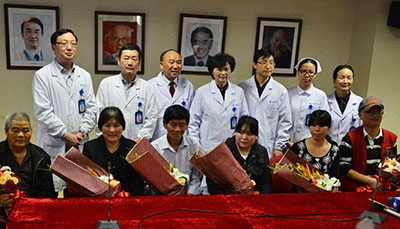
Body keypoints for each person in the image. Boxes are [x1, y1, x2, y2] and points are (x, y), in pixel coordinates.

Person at [32, 29, 97, 192]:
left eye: (73, 44)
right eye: (63, 43)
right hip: (54, 143)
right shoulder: (42, 76)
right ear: (54, 48)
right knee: (50, 191)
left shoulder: (84, 76)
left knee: (76, 193)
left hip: (79, 143)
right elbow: (43, 111)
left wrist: (82, 131)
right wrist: (64, 134)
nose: (69, 47)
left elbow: (92, 108)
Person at [189, 53, 249, 154]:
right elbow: (193, 122)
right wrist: (196, 146)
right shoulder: (202, 92)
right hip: (207, 147)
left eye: (226, 69)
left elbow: (244, 119)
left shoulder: (239, 92)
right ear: (212, 71)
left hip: (232, 147)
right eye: (219, 69)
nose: (223, 73)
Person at [96, 43, 158, 141]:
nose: (130, 63)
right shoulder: (106, 83)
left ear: (139, 63)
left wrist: (140, 139)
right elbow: (99, 113)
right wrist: (105, 137)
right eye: (126, 58)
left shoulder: (147, 87)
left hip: (137, 143)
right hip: (110, 141)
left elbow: (151, 118)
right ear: (118, 61)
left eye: (134, 59)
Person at [239, 48, 292, 158]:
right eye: (264, 63)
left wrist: (279, 147)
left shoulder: (280, 90)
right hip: (244, 141)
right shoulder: (242, 88)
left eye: (271, 63)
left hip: (269, 143)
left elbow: (285, 122)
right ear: (254, 64)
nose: (268, 67)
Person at [340, 96, 398, 192]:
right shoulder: (349, 138)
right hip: (356, 190)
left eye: (377, 111)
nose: (374, 115)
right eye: (369, 112)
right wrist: (370, 181)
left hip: (382, 189)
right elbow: (344, 168)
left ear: (382, 114)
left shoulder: (391, 138)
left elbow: (393, 166)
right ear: (360, 115)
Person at [83, 107, 145, 195]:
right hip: (98, 200)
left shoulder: (132, 148)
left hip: (127, 200)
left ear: (122, 127)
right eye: (107, 126)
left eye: (116, 125)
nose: (112, 130)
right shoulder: (90, 148)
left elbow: (137, 184)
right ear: (101, 127)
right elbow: (86, 181)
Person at [207, 116, 272, 194]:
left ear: (256, 136)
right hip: (228, 199)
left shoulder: (261, 152)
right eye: (241, 132)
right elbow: (213, 180)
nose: (244, 137)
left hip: (255, 198)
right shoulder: (225, 150)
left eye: (249, 134)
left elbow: (266, 182)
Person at [0, 112, 57, 198]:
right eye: (15, 131)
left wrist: (30, 203)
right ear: (6, 131)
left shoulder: (41, 157)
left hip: (33, 207)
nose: (21, 135)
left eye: (25, 131)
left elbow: (48, 192)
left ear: (31, 132)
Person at [151, 105, 202, 195]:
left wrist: (190, 194)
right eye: (173, 125)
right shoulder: (155, 148)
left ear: (187, 126)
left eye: (182, 125)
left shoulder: (194, 146)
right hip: (162, 197)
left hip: (188, 197)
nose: (177, 129)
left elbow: (196, 177)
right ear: (164, 124)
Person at [149, 49, 195, 141]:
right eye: (171, 62)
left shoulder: (188, 86)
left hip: (181, 139)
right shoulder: (150, 86)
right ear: (161, 65)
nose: (175, 66)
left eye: (178, 62)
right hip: (157, 139)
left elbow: (192, 116)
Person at [287, 57, 329, 144]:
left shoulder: (320, 96)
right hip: (288, 142)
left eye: (311, 72)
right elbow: (282, 119)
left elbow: (323, 122)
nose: (307, 75)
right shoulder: (288, 93)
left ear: (315, 74)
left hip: (311, 144)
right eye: (303, 71)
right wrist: (286, 141)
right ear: (298, 72)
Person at [290, 110, 340, 179]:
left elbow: (334, 178)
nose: (317, 129)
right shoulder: (298, 147)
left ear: (329, 126)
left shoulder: (334, 150)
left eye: (321, 126)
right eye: (313, 125)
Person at [327, 65, 363, 145]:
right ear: (334, 80)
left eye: (349, 78)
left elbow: (363, 128)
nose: (345, 81)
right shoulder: (326, 101)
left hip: (351, 147)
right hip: (329, 147)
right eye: (342, 77)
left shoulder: (359, 102)